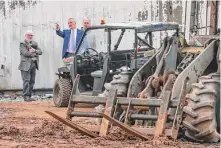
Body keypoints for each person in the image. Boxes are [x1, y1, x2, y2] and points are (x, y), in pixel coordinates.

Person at [18, 30, 42, 102]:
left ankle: (29, 96)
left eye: (31, 35)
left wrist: (34, 50)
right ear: (25, 36)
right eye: (29, 35)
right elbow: (25, 53)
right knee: (26, 81)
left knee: (32, 81)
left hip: (34, 64)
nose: (30, 36)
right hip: (25, 65)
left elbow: (40, 51)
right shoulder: (22, 43)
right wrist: (34, 54)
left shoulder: (35, 43)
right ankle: (25, 96)